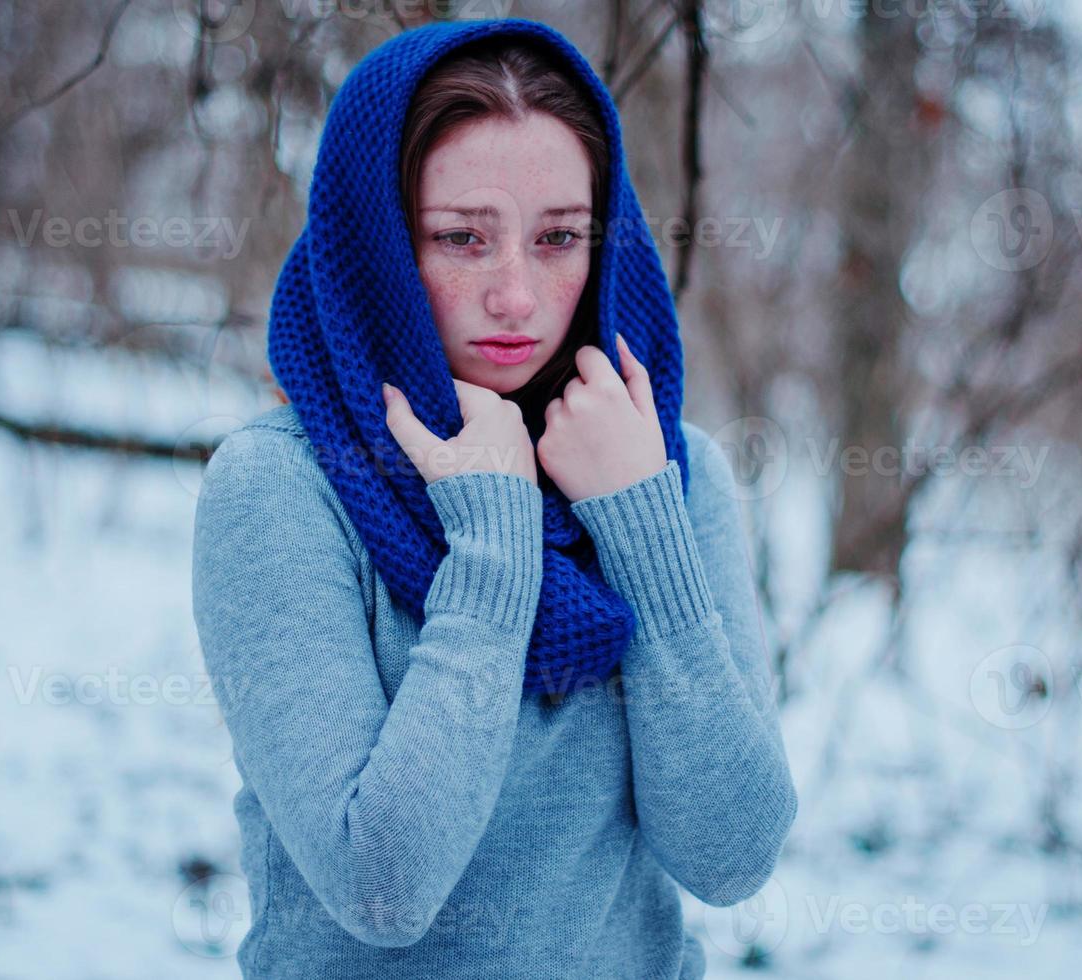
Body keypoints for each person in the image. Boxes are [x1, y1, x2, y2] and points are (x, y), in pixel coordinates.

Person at [191, 17, 797, 979]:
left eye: (559, 237)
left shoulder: (670, 473)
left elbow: (731, 857)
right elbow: (381, 885)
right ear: (377, 247)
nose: (516, 295)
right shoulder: (283, 487)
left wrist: (639, 524)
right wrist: (495, 543)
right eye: (461, 238)